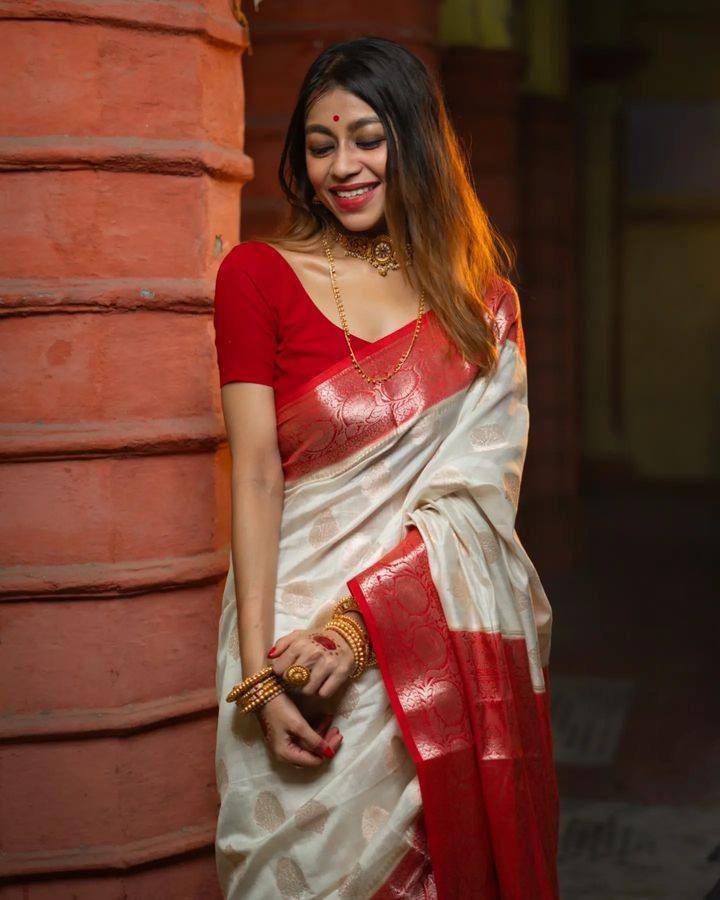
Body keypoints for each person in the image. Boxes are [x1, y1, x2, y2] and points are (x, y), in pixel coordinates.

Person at [212, 34, 559, 899]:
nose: (344, 166)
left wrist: (361, 628)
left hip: (418, 655)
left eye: (367, 138)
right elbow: (256, 474)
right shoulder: (257, 276)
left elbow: (475, 505)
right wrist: (259, 677)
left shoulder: (481, 305)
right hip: (289, 647)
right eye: (321, 146)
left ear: (412, 139)